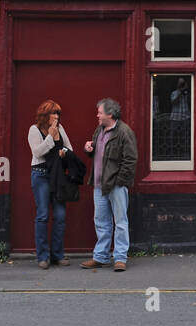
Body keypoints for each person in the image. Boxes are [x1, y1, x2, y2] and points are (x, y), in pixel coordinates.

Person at [81, 97, 137, 272]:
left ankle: (120, 258)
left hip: (116, 185)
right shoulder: (100, 130)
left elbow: (130, 160)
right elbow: (99, 154)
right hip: (99, 185)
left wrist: (120, 182)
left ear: (110, 114)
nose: (97, 115)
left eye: (100, 112)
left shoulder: (124, 132)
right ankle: (101, 256)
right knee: (101, 221)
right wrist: (89, 149)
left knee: (120, 222)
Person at [29, 100, 72, 269]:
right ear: (44, 115)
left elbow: (70, 148)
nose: (56, 117)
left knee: (60, 216)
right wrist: (50, 137)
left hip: (57, 176)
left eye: (58, 114)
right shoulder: (34, 130)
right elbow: (37, 152)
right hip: (40, 175)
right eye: (53, 113)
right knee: (43, 215)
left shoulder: (61, 129)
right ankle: (43, 257)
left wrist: (64, 153)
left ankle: (57, 255)